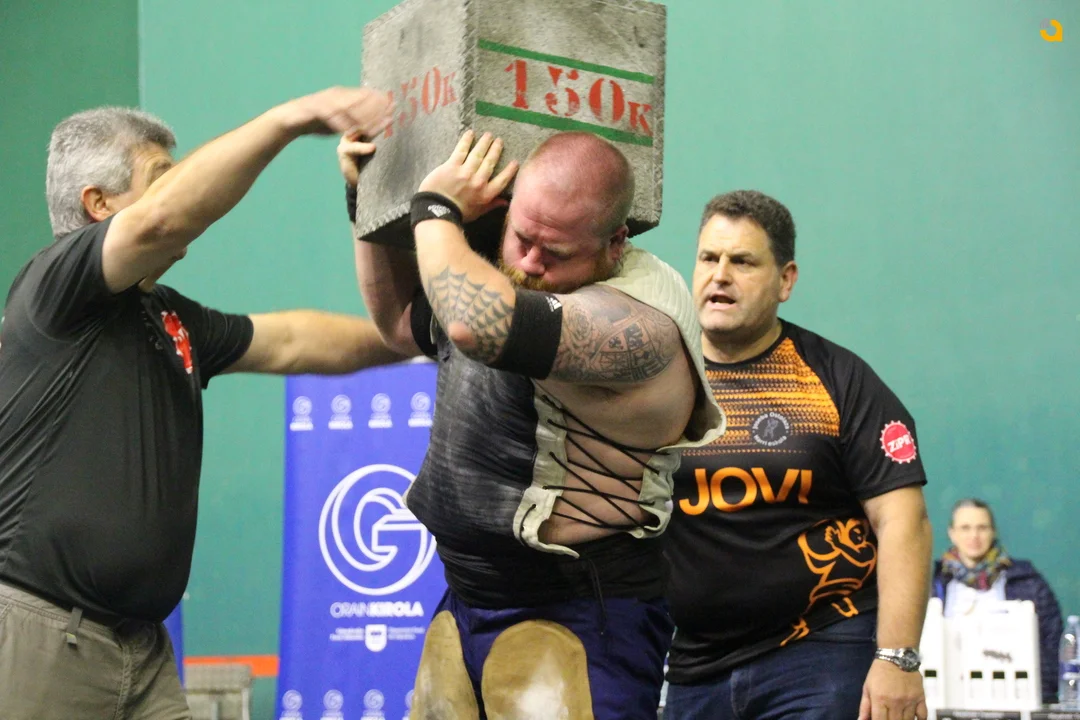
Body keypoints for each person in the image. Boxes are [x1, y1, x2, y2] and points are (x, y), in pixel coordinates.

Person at [0, 87, 404, 720]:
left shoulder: (167, 316)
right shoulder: (55, 287)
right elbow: (161, 220)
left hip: (143, 650)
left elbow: (294, 341)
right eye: (164, 175)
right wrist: (290, 118)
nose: (184, 187)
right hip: (45, 639)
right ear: (98, 204)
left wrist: (417, 341)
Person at [342, 129, 724, 719]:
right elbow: (399, 324)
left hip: (578, 612)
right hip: (464, 599)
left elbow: (477, 326)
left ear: (615, 243)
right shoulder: (495, 270)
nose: (529, 262)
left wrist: (434, 207)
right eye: (522, 237)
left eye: (556, 252)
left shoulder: (640, 317)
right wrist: (368, 196)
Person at [661, 190, 933, 720]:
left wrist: (898, 658)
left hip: (824, 649)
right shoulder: (658, 377)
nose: (720, 276)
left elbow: (904, 520)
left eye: (743, 262)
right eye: (709, 258)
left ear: (785, 280)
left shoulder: (837, 378)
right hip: (696, 664)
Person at [933, 498, 1063, 704]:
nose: (974, 536)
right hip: (946, 698)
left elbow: (1052, 642)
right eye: (965, 528)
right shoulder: (932, 583)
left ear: (993, 531)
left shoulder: (1027, 581)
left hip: (1014, 698)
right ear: (952, 533)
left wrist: (1041, 696)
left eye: (982, 527)